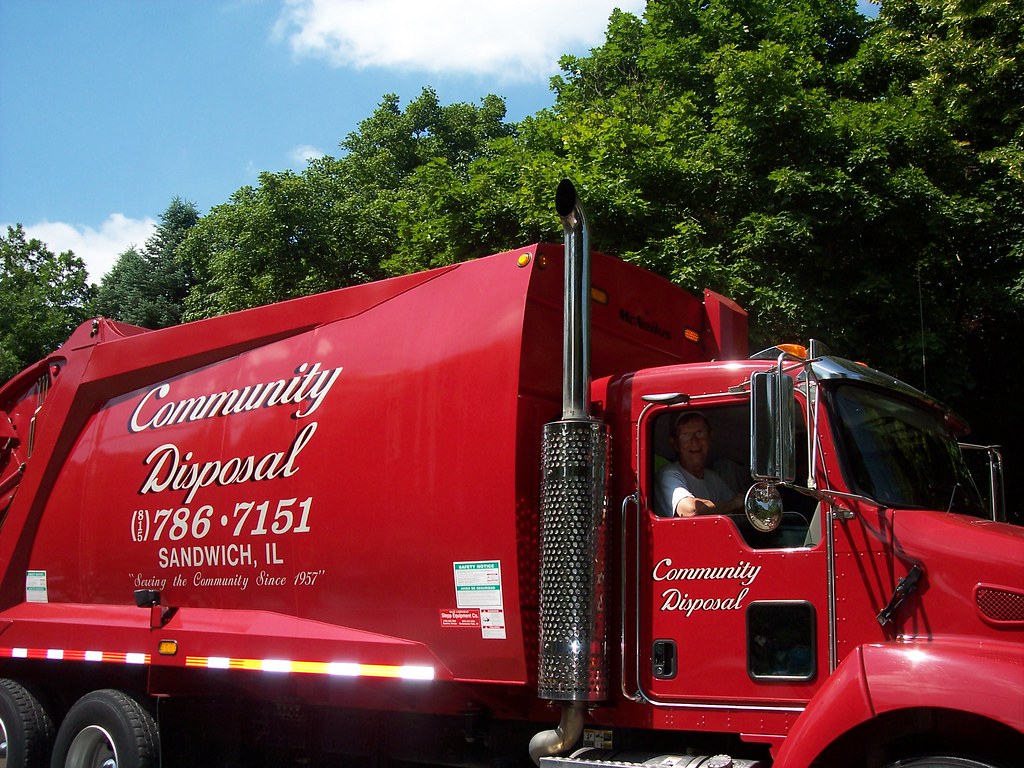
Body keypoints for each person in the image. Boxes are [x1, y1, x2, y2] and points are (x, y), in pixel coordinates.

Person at [656, 412, 744, 518]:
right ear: (675, 444)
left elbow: (739, 505)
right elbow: (689, 510)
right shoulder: (669, 475)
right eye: (685, 436)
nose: (694, 442)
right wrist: (733, 505)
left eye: (700, 433)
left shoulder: (713, 478)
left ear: (710, 437)